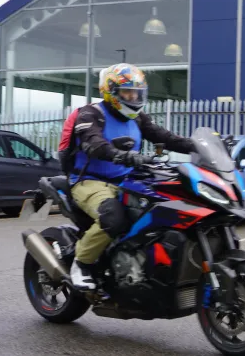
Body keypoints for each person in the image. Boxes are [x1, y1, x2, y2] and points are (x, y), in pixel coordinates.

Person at [67, 63, 195, 290]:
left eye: (136, 92)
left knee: (163, 209)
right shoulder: (90, 114)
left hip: (128, 180)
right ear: (110, 92)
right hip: (90, 181)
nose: (133, 97)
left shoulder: (138, 118)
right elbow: (93, 143)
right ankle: (81, 264)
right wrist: (121, 155)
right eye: (127, 91)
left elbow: (165, 137)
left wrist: (198, 146)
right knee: (113, 217)